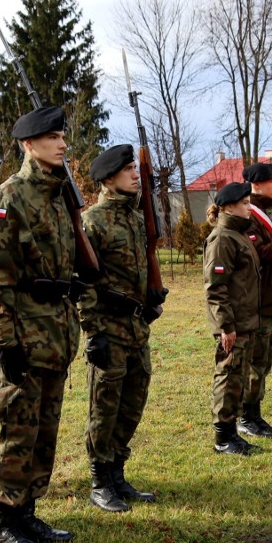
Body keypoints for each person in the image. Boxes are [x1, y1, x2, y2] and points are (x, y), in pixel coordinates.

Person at [0, 106, 79, 543]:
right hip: (23, 335)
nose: (62, 144)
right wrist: (3, 340)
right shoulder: (12, 196)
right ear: (28, 145)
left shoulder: (58, 197)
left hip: (56, 335)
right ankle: (5, 518)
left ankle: (29, 510)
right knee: (18, 431)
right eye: (53, 137)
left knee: (45, 430)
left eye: (62, 137)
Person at [78, 144, 161, 512]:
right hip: (109, 326)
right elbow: (82, 280)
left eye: (134, 168)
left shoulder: (136, 218)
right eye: (127, 170)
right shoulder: (94, 221)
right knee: (105, 406)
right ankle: (99, 481)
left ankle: (117, 471)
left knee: (132, 402)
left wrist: (152, 297)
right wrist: (93, 331)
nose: (133, 175)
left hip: (136, 326)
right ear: (109, 178)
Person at [202, 182, 261, 455]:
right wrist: (226, 325)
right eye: (245, 203)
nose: (250, 208)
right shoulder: (223, 237)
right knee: (228, 377)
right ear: (227, 207)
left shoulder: (238, 235)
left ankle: (232, 432)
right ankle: (223, 437)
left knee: (238, 378)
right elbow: (216, 287)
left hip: (245, 322)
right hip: (233, 324)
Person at [238, 162, 272, 437]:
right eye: (271, 181)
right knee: (255, 363)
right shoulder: (250, 215)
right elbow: (259, 252)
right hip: (256, 299)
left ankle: (255, 414)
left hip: (268, 298)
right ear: (257, 184)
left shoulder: (262, 213)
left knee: (264, 361)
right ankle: (247, 416)